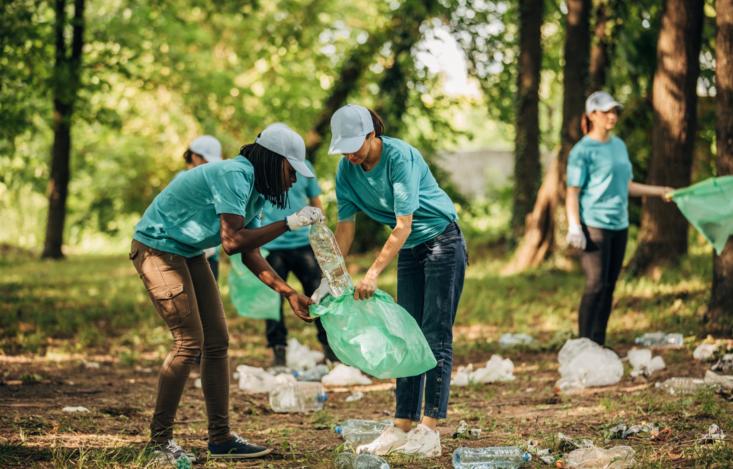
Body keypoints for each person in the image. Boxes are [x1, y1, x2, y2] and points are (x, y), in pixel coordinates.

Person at [130, 123, 323, 463]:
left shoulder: (258, 190)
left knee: (217, 341)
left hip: (187, 251)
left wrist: (289, 292)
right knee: (188, 342)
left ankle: (220, 439)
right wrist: (290, 223)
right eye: (291, 171)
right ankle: (159, 442)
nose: (294, 180)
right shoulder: (235, 174)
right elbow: (233, 241)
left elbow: (250, 252)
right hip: (156, 247)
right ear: (273, 160)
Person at [314, 104, 467, 458]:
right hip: (411, 250)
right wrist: (330, 277)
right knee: (405, 333)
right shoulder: (346, 170)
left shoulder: (399, 157)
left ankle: (429, 430)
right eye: (344, 147)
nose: (350, 154)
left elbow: (403, 224)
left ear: (372, 135)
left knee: (435, 332)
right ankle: (401, 425)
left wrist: (371, 273)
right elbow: (345, 226)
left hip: (441, 240)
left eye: (356, 144)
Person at [566, 91, 673, 346]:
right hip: (594, 225)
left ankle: (599, 343)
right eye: (606, 112)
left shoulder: (619, 145)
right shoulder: (582, 151)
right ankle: (584, 345)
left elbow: (627, 186)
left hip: (619, 224)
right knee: (595, 284)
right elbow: (572, 192)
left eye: (614, 111)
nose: (612, 116)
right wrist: (574, 226)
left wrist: (660, 191)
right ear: (592, 115)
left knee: (610, 286)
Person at [259, 159, 338, 366]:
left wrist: (321, 229)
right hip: (273, 245)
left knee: (318, 295)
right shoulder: (265, 169)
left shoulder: (306, 167)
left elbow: (315, 200)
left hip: (304, 242)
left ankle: (330, 349)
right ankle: (278, 351)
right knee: (273, 301)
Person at [180, 135, 223, 279]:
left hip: (210, 255)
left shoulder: (214, 180)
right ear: (194, 157)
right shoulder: (181, 181)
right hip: (185, 253)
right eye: (205, 159)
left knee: (211, 299)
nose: (208, 164)